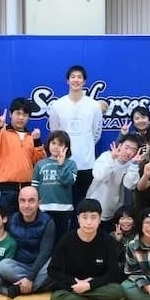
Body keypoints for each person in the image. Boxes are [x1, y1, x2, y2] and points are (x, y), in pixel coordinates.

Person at [48, 198, 125, 300]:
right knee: (57, 299)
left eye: (93, 217)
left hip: (97, 286)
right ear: (78, 219)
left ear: (99, 219)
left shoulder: (108, 241)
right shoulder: (66, 240)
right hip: (73, 285)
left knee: (117, 291)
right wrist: (75, 282)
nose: (89, 222)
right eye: (84, 217)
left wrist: (90, 285)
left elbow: (113, 273)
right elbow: (53, 270)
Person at [47, 65, 104, 208]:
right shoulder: (57, 105)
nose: (76, 80)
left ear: (84, 81)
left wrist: (85, 144)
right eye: (72, 77)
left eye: (79, 77)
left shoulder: (94, 106)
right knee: (65, 204)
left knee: (85, 205)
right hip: (64, 163)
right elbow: (55, 133)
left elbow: (96, 133)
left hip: (87, 164)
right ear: (67, 81)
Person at [0, 97, 46, 213]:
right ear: (10, 114)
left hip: (27, 190)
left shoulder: (31, 137)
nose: (21, 118)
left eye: (25, 114)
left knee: (26, 220)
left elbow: (40, 161)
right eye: (18, 113)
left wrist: (37, 141)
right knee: (5, 220)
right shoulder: (1, 132)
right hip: (6, 189)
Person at [0, 186, 56, 298]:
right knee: (3, 266)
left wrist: (30, 277)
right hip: (20, 266)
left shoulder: (48, 222)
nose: (26, 205)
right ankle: (34, 286)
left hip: (41, 266)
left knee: (54, 264)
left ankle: (18, 289)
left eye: (31, 200)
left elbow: (45, 253)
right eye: (22, 200)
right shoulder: (12, 220)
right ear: (18, 202)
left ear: (39, 203)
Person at [31, 130, 78, 243]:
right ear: (48, 144)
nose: (56, 147)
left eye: (60, 144)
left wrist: (61, 164)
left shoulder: (71, 164)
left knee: (61, 240)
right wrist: (35, 202)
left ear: (66, 147)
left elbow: (68, 181)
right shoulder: (40, 164)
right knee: (45, 240)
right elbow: (34, 186)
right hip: (44, 208)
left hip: (64, 209)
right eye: (53, 143)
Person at [85, 133, 142, 223]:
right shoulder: (106, 156)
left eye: (133, 150)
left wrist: (134, 166)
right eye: (126, 147)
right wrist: (112, 159)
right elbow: (98, 176)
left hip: (114, 210)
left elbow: (129, 185)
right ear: (120, 145)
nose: (129, 152)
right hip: (93, 205)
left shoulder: (132, 164)